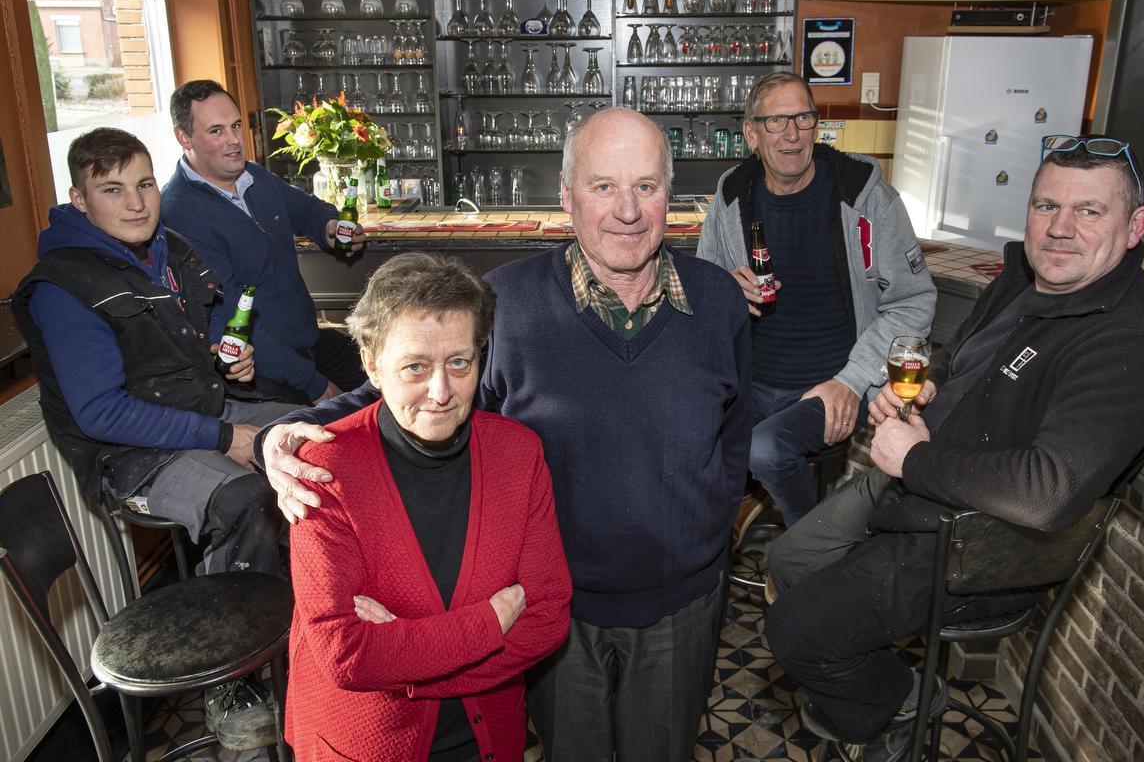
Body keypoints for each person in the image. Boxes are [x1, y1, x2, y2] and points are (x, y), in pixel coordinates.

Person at [259, 107, 753, 761]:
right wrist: (286, 434)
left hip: (681, 603)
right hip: (548, 608)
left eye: (646, 186)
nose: (628, 210)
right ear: (569, 195)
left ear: (672, 194)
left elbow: (737, 428)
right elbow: (414, 389)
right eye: (604, 186)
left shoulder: (719, 302)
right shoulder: (509, 303)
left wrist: (708, 524)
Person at [763, 134, 1144, 761]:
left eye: (1089, 211)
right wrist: (930, 386)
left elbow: (1046, 493)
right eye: (1046, 206)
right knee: (790, 559)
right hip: (924, 482)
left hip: (972, 537)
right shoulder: (1024, 278)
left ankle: (904, 696)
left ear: (1135, 226)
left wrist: (911, 457)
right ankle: (862, 668)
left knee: (793, 631)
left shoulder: (1133, 338)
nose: (1060, 228)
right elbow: (967, 360)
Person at [11, 127, 305, 752]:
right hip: (132, 457)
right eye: (112, 189)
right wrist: (228, 436)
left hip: (201, 412)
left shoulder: (165, 249)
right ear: (79, 198)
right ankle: (239, 697)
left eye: (144, 184)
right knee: (244, 497)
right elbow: (101, 413)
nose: (137, 202)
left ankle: (314, 626)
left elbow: (195, 348)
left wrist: (233, 362)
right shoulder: (66, 286)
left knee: (321, 433)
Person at [285, 253, 572, 761]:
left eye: (459, 363)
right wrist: (488, 622)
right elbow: (346, 654)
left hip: (486, 735)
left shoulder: (517, 453)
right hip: (367, 741)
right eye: (415, 366)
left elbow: (547, 618)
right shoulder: (323, 469)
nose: (441, 393)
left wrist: (408, 667)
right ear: (371, 363)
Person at [698, 72, 936, 530]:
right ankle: (738, 520)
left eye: (803, 118)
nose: (792, 134)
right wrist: (726, 287)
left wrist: (851, 381)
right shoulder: (731, 196)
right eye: (776, 121)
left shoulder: (865, 196)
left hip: (831, 383)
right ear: (750, 132)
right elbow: (704, 288)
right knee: (680, 433)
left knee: (763, 449)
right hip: (748, 382)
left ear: (816, 124)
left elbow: (913, 303)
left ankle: (815, 550)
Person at [160, 79, 367, 406]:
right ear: (183, 137)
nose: (234, 140)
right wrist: (314, 385)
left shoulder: (253, 177)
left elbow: (307, 208)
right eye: (217, 131)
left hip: (310, 342)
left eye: (236, 126)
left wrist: (329, 226)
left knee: (389, 385)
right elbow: (232, 318)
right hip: (263, 371)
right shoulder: (180, 213)